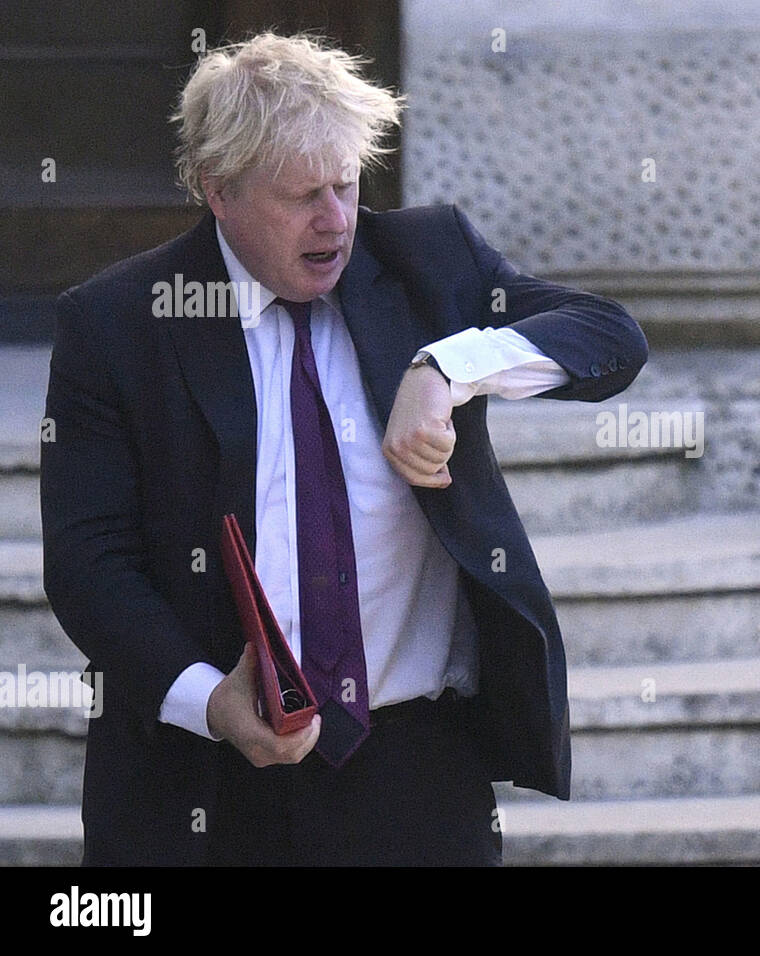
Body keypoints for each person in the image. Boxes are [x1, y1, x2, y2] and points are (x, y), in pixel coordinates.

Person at [40, 32, 647, 866]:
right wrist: (211, 702)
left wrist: (447, 367)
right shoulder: (116, 323)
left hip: (415, 769)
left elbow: (611, 339)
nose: (336, 221)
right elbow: (87, 563)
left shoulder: (428, 259)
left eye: (347, 185)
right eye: (301, 197)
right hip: (201, 777)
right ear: (218, 192)